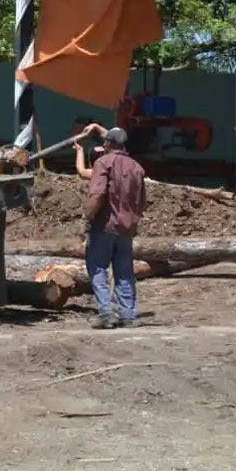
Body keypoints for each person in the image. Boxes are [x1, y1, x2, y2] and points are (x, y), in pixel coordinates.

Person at [84, 127, 147, 329]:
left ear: (109, 144)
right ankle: (128, 314)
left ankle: (106, 313)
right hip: (127, 227)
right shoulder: (137, 167)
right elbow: (142, 201)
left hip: (104, 224)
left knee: (98, 267)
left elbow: (98, 195)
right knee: (124, 271)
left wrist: (87, 218)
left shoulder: (103, 163)